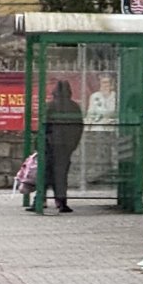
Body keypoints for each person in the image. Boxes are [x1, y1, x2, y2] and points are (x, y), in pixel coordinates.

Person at [43, 81, 84, 213]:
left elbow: (43, 127)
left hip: (50, 146)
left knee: (46, 173)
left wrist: (43, 144)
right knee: (61, 175)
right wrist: (72, 145)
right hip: (66, 147)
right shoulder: (74, 107)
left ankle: (40, 200)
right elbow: (79, 128)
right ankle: (61, 202)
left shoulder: (50, 106)